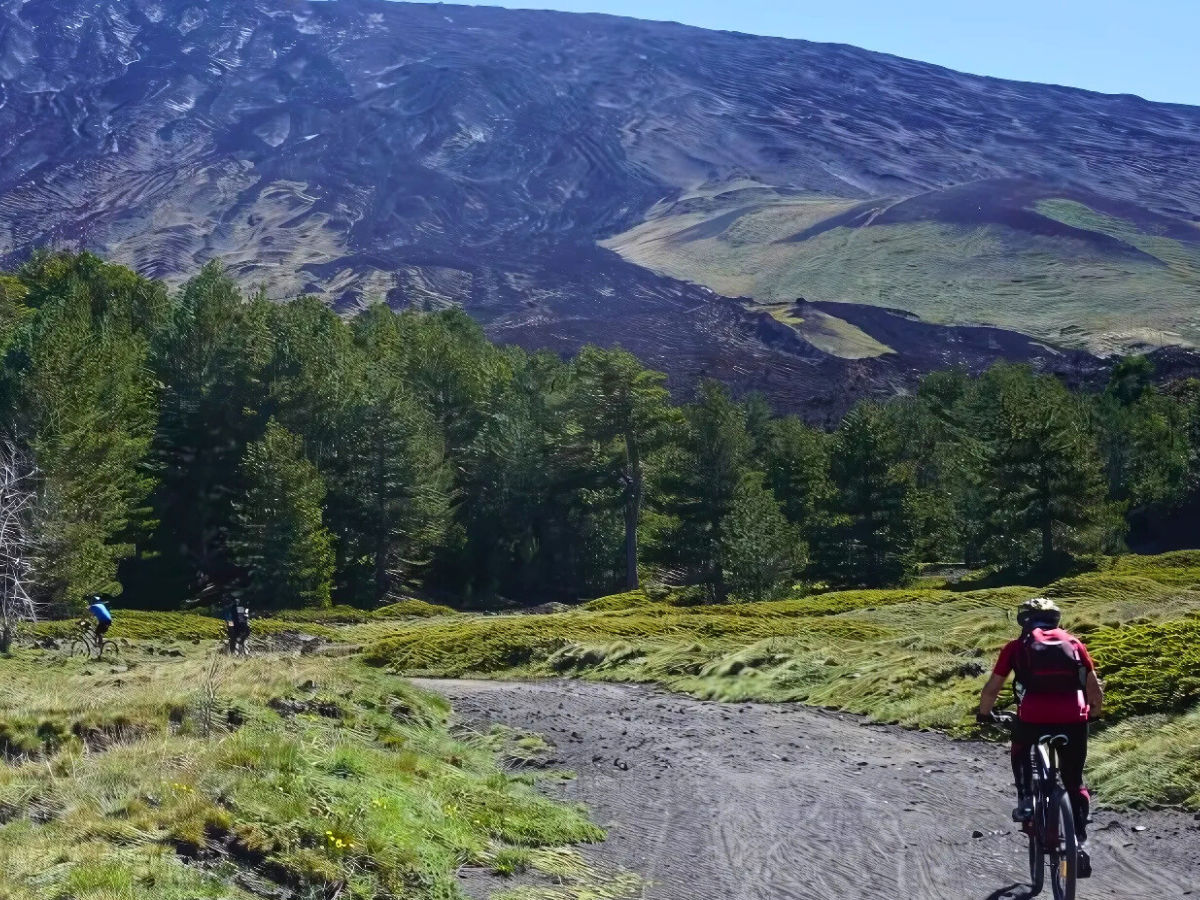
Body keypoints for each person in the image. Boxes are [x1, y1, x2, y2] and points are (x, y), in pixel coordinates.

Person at [977, 597, 1104, 878]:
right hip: (1073, 719)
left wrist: (984, 715)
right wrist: (1093, 714)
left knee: (1020, 747)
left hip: (1033, 716)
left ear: (1024, 621)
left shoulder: (1015, 647)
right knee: (1074, 780)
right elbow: (1094, 690)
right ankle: (1078, 841)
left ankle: (1024, 800)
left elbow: (992, 689)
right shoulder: (1073, 643)